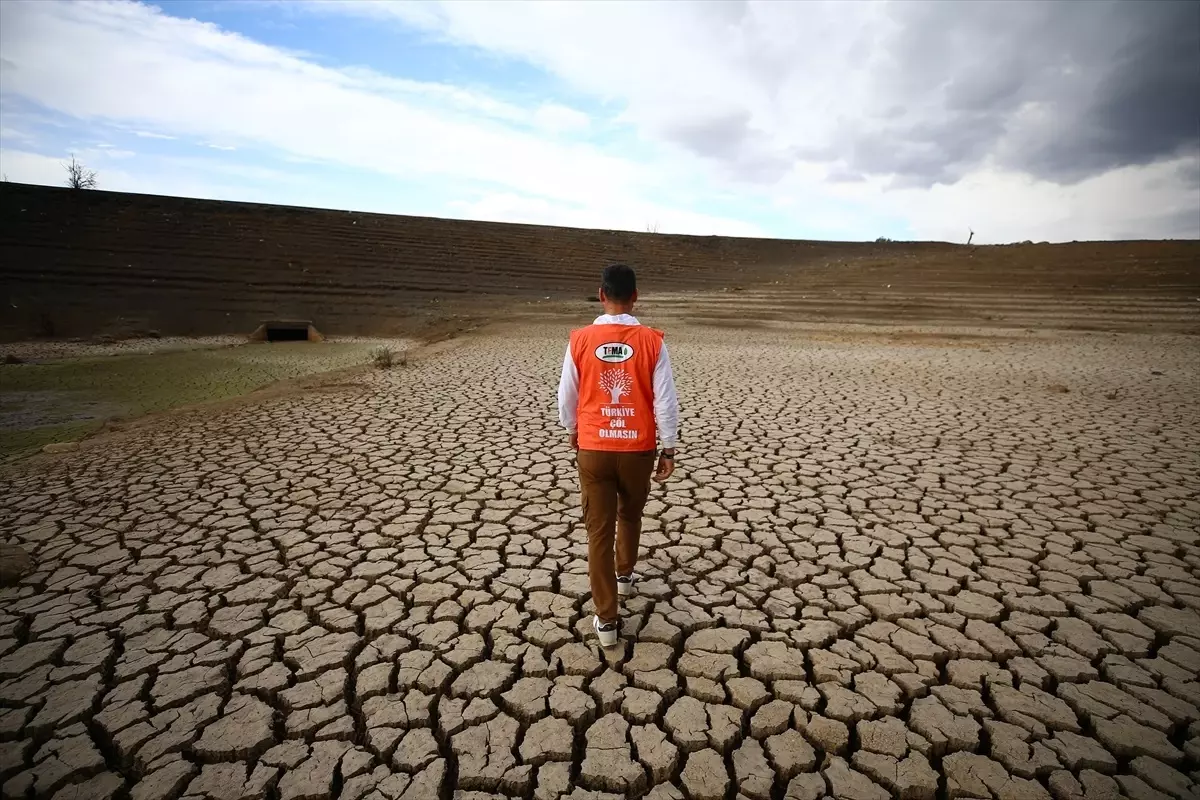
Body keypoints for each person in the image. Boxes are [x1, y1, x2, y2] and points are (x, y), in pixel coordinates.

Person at [557, 263, 679, 646]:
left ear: (601, 294)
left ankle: (607, 622)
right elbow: (666, 401)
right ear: (636, 296)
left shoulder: (579, 340)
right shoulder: (653, 341)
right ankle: (624, 576)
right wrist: (669, 447)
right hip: (637, 447)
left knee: (598, 531)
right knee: (630, 513)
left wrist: (574, 430)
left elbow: (567, 398)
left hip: (594, 447)